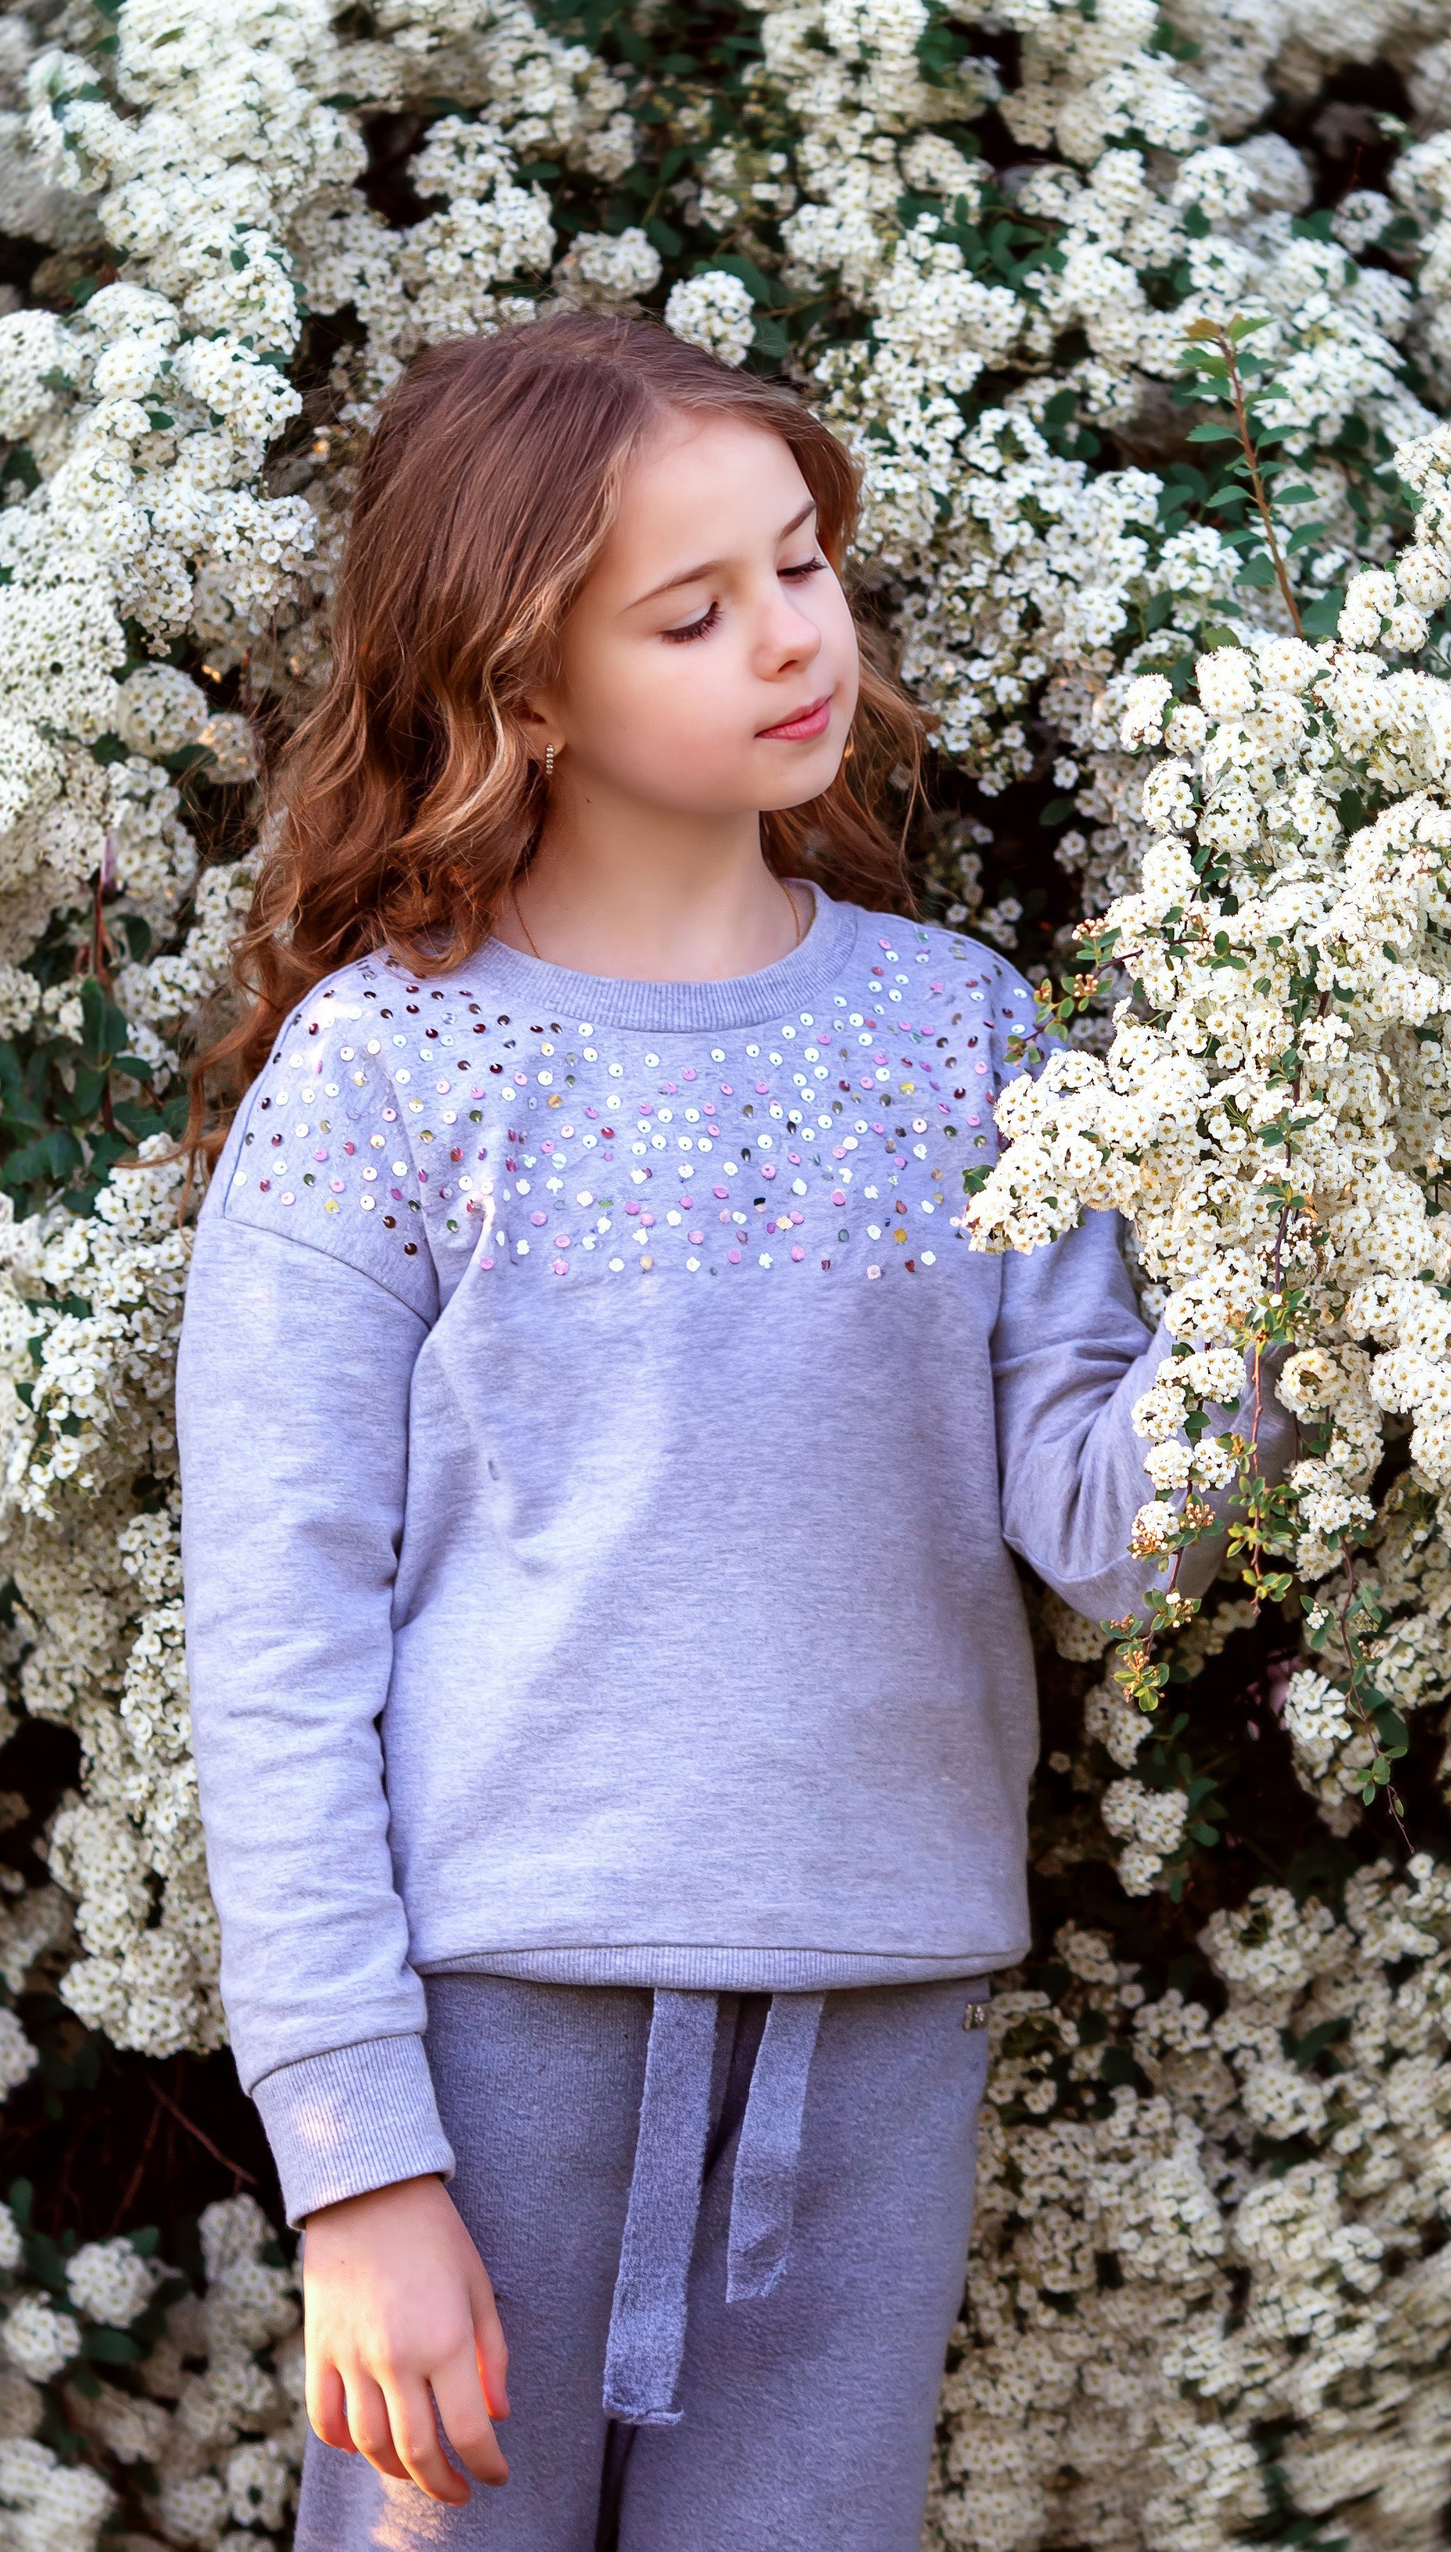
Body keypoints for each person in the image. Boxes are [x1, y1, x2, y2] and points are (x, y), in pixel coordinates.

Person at [171, 311, 1303, 2551]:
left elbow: (1108, 1535)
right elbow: (274, 1652)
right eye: (690, 613)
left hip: (877, 2021)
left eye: (799, 564)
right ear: (521, 689)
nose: (790, 637)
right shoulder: (383, 1076)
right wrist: (360, 2172)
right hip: (484, 2042)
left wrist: (1319, 1192)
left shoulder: (961, 1032)